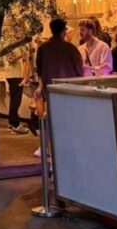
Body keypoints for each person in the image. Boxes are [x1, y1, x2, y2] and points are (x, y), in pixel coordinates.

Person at [34, 19, 84, 157]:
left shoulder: (43, 48)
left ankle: (46, 146)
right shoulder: (70, 48)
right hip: (69, 89)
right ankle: (68, 145)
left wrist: (41, 86)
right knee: (69, 118)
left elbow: (39, 69)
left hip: (50, 88)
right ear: (64, 31)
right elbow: (79, 69)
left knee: (50, 118)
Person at [4, 45, 29, 134]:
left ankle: (11, 123)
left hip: (17, 75)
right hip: (13, 75)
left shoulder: (19, 46)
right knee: (16, 101)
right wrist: (22, 54)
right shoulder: (9, 45)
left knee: (14, 101)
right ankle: (15, 125)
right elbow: (10, 59)